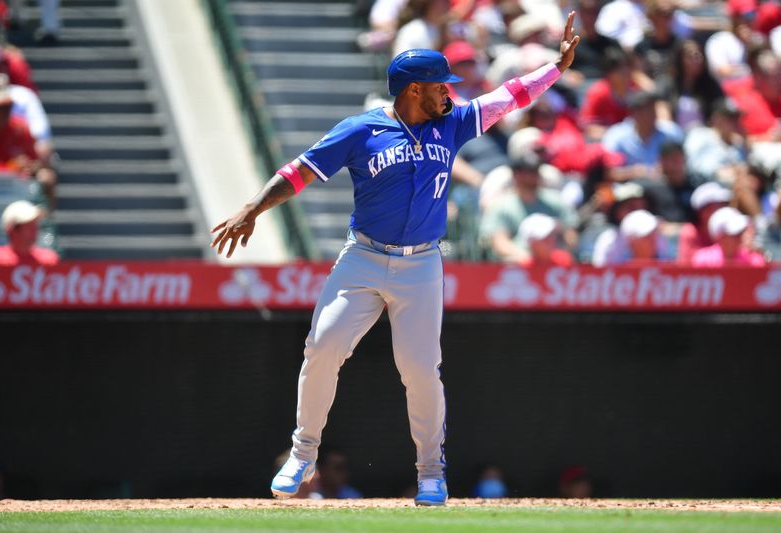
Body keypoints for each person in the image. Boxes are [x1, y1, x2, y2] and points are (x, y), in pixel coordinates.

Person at [210, 16, 580, 506]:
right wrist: (251, 208)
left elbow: (508, 96)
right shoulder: (362, 130)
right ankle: (302, 454)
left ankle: (431, 473)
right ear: (413, 90)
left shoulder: (453, 121)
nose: (450, 91)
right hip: (362, 257)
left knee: (421, 370)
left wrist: (554, 67)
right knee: (322, 347)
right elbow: (299, 172)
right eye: (441, 85)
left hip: (422, 265)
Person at [480, 151, 579, 262]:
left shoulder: (556, 201)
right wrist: (527, 258)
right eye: (527, 172)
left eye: (535, 171)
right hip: (516, 267)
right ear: (516, 174)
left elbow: (570, 237)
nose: (533, 176)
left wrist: (558, 255)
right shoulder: (501, 206)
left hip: (553, 263)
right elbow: (499, 242)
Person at [0, 73, 57, 209]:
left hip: (16, 191)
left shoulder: (21, 129)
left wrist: (30, 167)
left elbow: (37, 165)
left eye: (6, 107)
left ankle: (44, 226)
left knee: (46, 178)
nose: (4, 113)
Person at [602, 91, 684, 182]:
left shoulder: (671, 132)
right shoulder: (617, 135)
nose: (653, 114)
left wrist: (667, 169)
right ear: (634, 113)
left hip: (664, 188)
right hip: (627, 190)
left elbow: (683, 166)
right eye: (647, 110)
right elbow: (608, 173)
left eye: (653, 108)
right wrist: (635, 172)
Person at [0, 199, 58, 266]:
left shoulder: (48, 260)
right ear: (12, 230)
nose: (35, 229)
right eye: (29, 226)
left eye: (35, 224)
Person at [676, 181, 732, 263]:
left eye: (723, 205)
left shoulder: (731, 229)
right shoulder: (689, 232)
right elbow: (686, 267)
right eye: (718, 205)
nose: (723, 209)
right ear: (703, 211)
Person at [691, 206, 766, 266]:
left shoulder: (754, 260)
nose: (739, 237)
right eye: (734, 233)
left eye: (740, 232)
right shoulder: (702, 260)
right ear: (719, 236)